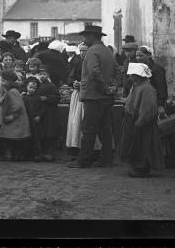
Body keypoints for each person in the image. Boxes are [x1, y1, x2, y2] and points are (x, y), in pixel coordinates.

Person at [68, 25, 117, 170]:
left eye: (85, 36)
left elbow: (94, 73)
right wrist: (112, 87)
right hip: (105, 98)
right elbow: (117, 70)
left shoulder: (91, 51)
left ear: (92, 36)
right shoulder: (107, 51)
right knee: (105, 129)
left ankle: (84, 160)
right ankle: (106, 159)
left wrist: (105, 88)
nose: (84, 39)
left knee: (88, 129)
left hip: (93, 96)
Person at [117, 63, 164, 177]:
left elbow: (148, 108)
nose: (131, 77)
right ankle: (137, 166)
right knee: (135, 144)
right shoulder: (136, 86)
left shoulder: (147, 89)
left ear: (139, 75)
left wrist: (140, 121)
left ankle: (141, 167)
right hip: (134, 119)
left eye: (133, 75)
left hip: (142, 122)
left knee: (143, 145)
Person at [0, 70, 30, 161]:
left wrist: (12, 116)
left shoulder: (12, 92)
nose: (2, 83)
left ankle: (11, 155)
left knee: (10, 138)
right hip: (16, 119)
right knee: (12, 139)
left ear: (9, 81)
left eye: (4, 81)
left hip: (15, 119)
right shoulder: (12, 91)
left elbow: (18, 106)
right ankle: (14, 155)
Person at [134, 46, 168, 115]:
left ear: (149, 55)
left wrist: (160, 105)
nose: (138, 58)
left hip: (154, 101)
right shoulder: (139, 68)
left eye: (141, 56)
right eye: (137, 56)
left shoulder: (157, 69)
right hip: (143, 101)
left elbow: (161, 87)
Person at [36, 66, 60, 161]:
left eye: (44, 74)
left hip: (50, 112)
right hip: (41, 112)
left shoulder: (51, 86)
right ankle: (42, 152)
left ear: (48, 75)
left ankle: (49, 153)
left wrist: (47, 99)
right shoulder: (38, 85)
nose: (42, 76)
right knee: (42, 133)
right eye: (40, 74)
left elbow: (57, 98)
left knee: (49, 133)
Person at [22, 77, 43, 161]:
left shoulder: (38, 98)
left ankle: (37, 154)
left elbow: (42, 108)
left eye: (34, 88)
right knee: (26, 137)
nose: (32, 89)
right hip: (26, 119)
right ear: (27, 86)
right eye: (30, 87)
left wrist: (39, 116)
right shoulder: (23, 97)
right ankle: (25, 154)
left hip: (34, 120)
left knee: (35, 137)